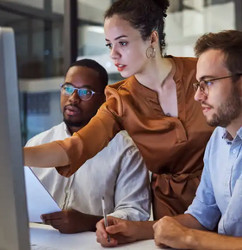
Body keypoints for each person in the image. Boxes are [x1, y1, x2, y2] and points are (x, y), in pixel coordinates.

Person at [24, 0, 213, 239]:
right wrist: (13, 154)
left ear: (152, 39)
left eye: (122, 42)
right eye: (109, 44)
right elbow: (74, 147)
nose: (113, 54)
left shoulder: (202, 72)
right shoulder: (119, 99)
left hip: (224, 196)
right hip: (172, 212)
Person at [26, 59, 151, 233]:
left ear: (104, 99)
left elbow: (135, 212)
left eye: (85, 92)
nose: (73, 98)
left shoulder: (126, 150)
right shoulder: (37, 144)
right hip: (39, 240)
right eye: (68, 88)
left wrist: (87, 222)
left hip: (95, 242)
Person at [153, 30, 242, 249]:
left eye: (208, 83)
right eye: (197, 85)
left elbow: (193, 233)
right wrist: (136, 229)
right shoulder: (218, 140)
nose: (198, 96)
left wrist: (187, 238)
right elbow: (201, 216)